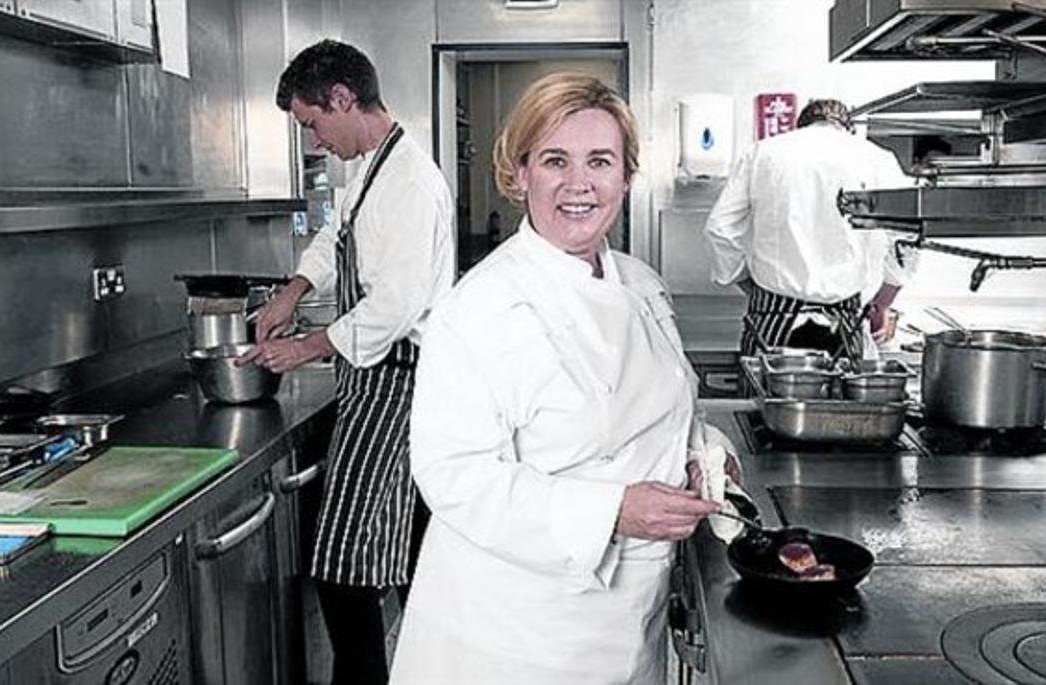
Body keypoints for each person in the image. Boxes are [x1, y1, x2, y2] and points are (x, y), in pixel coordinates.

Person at [390, 73, 735, 684]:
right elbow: (454, 478)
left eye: (600, 161)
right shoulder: (479, 308)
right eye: (555, 160)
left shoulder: (642, 286)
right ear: (521, 173)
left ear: (626, 177)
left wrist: (704, 456)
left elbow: (676, 413)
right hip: (518, 636)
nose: (580, 184)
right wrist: (613, 510)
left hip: (630, 618)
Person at [240, 39, 455, 685]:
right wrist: (292, 291)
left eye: (313, 123)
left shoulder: (411, 181)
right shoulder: (369, 168)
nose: (315, 141)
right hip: (372, 381)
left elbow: (394, 306)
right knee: (407, 555)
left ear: (342, 98)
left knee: (343, 570)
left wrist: (304, 347)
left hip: (397, 386)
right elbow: (336, 237)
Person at [703, 99, 918, 360]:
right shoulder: (876, 158)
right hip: (844, 318)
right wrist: (882, 303)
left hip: (772, 315)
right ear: (848, 127)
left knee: (765, 387)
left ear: (800, 124)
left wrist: (749, 286)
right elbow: (907, 236)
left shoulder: (762, 153)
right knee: (842, 387)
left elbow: (720, 230)